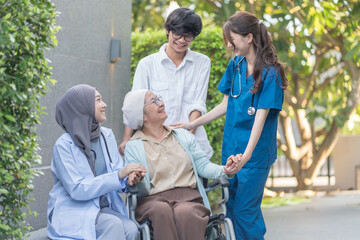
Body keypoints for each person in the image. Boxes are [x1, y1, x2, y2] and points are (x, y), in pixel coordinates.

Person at [172, 11, 289, 240]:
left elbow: (260, 118)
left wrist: (245, 157)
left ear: (249, 37)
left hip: (254, 156)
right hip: (232, 151)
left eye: (232, 38)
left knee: (246, 212)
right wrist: (192, 123)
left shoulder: (270, 73)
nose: (229, 43)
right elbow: (226, 104)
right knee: (232, 210)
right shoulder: (235, 65)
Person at [121, 89, 238, 240]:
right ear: (142, 115)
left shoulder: (183, 135)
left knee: (185, 213)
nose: (161, 103)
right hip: (153, 201)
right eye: (154, 101)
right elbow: (136, 181)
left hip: (189, 199)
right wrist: (135, 179)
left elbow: (203, 165)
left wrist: (225, 169)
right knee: (161, 210)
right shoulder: (133, 146)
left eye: (159, 98)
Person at [47, 84, 146, 240]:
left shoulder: (106, 135)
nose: (104, 104)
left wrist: (130, 178)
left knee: (131, 230)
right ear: (82, 107)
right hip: (75, 210)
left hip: (103, 207)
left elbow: (119, 175)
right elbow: (77, 189)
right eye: (98, 100)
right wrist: (120, 174)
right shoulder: (64, 145)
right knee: (113, 226)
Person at [118, 7, 213, 163]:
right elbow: (135, 106)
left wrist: (187, 135)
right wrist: (126, 139)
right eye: (177, 34)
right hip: (155, 148)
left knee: (195, 187)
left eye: (188, 36)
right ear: (167, 30)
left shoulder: (202, 62)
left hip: (193, 147)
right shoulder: (147, 64)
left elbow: (198, 103)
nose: (182, 40)